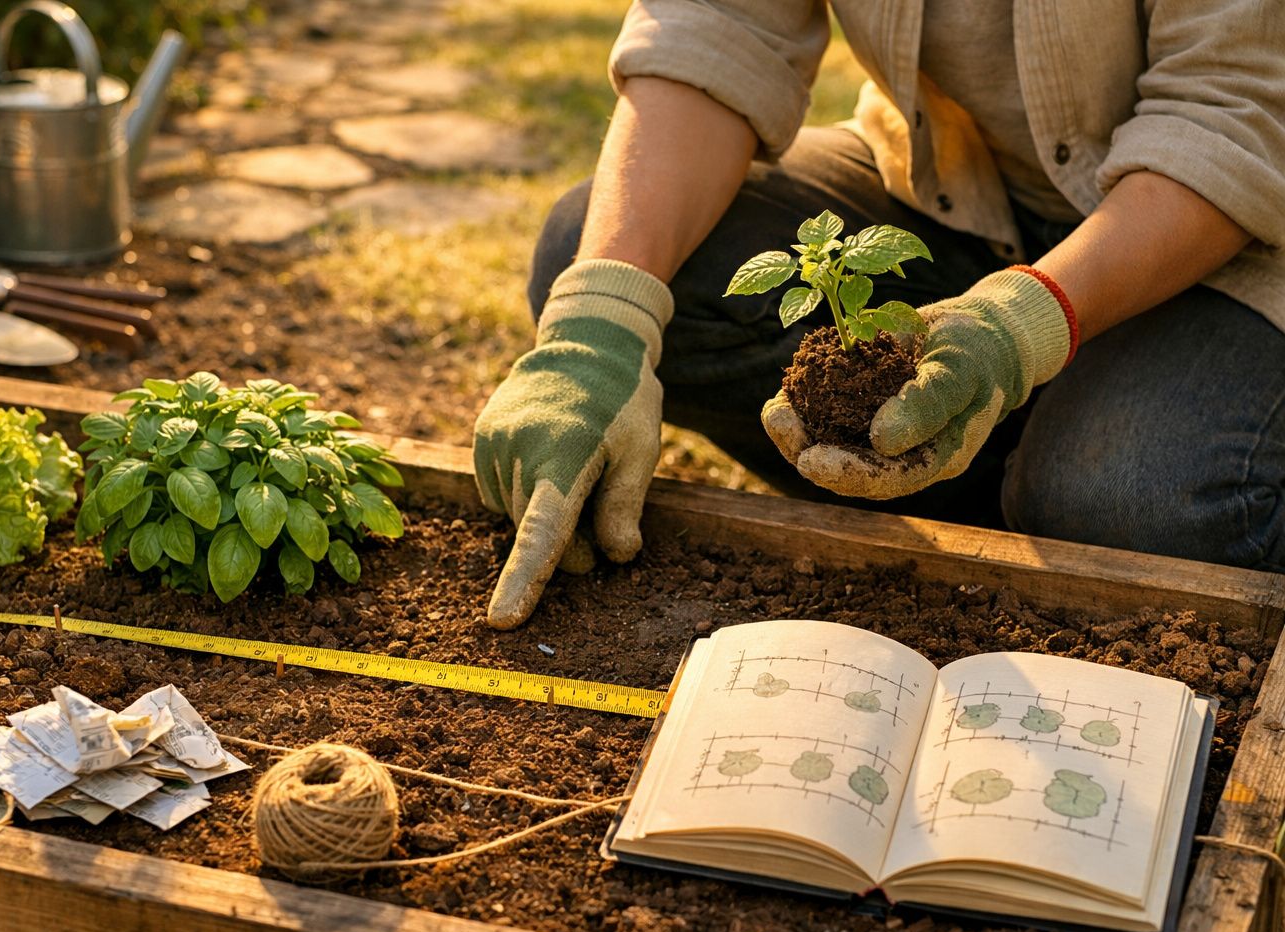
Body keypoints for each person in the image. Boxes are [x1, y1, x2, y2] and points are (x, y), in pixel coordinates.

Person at [472, 0, 1285, 629]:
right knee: (602, 259)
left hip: (1243, 228)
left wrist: (1018, 326)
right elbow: (719, 24)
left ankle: (1072, 480)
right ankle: (1011, 480)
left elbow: (1233, 112)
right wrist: (600, 322)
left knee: (1123, 496)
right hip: (966, 189)